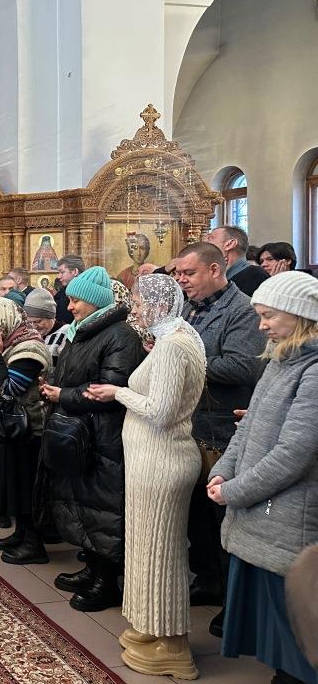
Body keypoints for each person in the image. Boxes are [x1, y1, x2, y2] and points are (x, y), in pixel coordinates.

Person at [84, 274, 207, 678]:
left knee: (163, 556)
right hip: (150, 462)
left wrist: (116, 392)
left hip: (162, 462)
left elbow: (162, 412)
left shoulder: (173, 345)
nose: (134, 310)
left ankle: (174, 646)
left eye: (138, 303)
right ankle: (151, 626)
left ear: (158, 304)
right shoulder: (172, 338)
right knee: (147, 550)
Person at [207, 271, 318, 684]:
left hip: (287, 516)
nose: (261, 326)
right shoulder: (282, 360)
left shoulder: (313, 371)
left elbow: (295, 454)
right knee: (276, 635)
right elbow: (249, 427)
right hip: (262, 512)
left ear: (300, 315)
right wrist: (223, 471)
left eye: (269, 315)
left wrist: (235, 491)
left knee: (296, 636)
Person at [174, 242, 267, 636]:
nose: (181, 280)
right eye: (178, 273)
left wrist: (182, 360)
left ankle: (234, 602)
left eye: (189, 273)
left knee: (222, 521)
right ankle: (208, 581)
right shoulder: (189, 308)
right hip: (191, 425)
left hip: (223, 431)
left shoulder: (241, 310)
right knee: (197, 517)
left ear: (215, 270)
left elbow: (243, 367)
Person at [40, 266, 145, 612]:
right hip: (81, 433)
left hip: (104, 436)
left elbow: (109, 389)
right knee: (84, 504)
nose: (69, 306)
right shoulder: (82, 331)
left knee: (104, 508)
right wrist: (54, 389)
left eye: (75, 300)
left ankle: (107, 581)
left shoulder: (120, 336)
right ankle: (92, 568)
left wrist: (63, 395)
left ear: (95, 302)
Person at [0, 297, 51, 564]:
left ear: (6, 321)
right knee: (13, 484)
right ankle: (20, 533)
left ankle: (34, 544)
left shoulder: (29, 347)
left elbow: (11, 389)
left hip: (28, 429)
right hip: (9, 427)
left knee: (26, 485)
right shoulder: (7, 343)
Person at [204, 225, 268, 296]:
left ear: (230, 244)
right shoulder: (219, 275)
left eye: (210, 238)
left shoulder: (256, 275)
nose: (205, 241)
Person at [24, 287, 67, 363]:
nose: (33, 326)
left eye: (38, 321)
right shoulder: (28, 333)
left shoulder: (66, 333)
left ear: (51, 317)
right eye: (30, 322)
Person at [55, 254, 84, 324]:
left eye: (62, 272)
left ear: (75, 271)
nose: (59, 276)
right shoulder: (61, 293)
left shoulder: (84, 293)